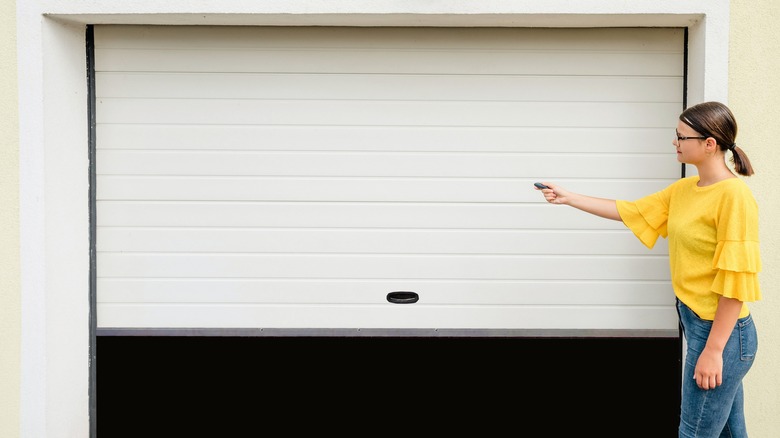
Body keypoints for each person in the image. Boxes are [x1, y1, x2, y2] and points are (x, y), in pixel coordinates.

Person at [535, 101, 761, 437]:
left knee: (694, 432)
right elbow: (633, 211)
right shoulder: (685, 190)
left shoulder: (734, 197)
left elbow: (736, 282)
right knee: (730, 431)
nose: (675, 142)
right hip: (701, 325)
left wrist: (714, 351)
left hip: (723, 336)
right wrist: (570, 198)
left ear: (709, 144)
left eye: (681, 136)